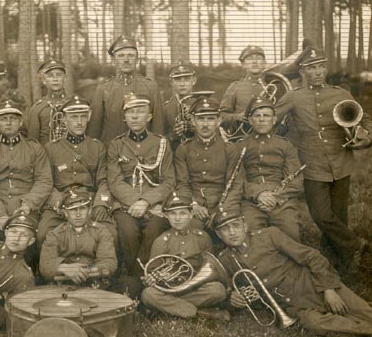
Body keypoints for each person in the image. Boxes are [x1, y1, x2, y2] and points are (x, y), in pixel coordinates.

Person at [274, 46, 372, 271]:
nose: (317, 72)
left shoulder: (340, 93)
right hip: (311, 163)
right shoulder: (293, 96)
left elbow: (364, 118)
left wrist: (368, 137)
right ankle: (356, 245)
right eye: (311, 68)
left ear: (326, 69)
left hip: (341, 160)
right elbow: (270, 118)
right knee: (320, 214)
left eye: (320, 67)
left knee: (339, 216)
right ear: (303, 72)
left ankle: (337, 262)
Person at [216, 211, 372, 336]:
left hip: (313, 285)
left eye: (236, 225)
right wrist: (232, 298)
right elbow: (227, 291)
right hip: (294, 305)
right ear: (218, 234)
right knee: (314, 324)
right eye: (225, 229)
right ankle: (365, 330)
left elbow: (312, 257)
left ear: (245, 226)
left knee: (365, 313)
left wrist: (329, 290)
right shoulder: (224, 260)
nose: (232, 232)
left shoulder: (268, 235)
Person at [0, 99, 52, 270]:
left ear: (21, 121)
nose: (8, 123)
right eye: (3, 119)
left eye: (13, 118)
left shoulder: (34, 148)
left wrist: (28, 205)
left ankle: (27, 276)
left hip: (25, 206)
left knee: (30, 236)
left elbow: (44, 180)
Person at [108, 93, 175, 277]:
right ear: (124, 117)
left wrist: (146, 201)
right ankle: (135, 277)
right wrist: (136, 202)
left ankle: (139, 277)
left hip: (155, 205)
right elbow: (115, 181)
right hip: (125, 205)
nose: (135, 116)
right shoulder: (116, 145)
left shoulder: (161, 143)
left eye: (140, 112)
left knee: (154, 230)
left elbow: (169, 181)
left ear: (150, 116)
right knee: (127, 232)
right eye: (130, 112)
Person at [39, 96, 115, 247]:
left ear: (88, 118)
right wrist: (58, 203)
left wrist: (100, 204)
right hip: (62, 201)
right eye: (74, 117)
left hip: (90, 202)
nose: (79, 122)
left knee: (111, 233)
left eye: (83, 117)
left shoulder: (97, 147)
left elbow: (104, 180)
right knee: (42, 234)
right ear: (64, 120)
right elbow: (45, 182)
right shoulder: (51, 148)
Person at [140, 193, 229, 320]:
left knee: (218, 290)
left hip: (195, 288)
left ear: (191, 215)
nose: (177, 218)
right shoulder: (161, 241)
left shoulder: (203, 237)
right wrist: (149, 280)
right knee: (148, 294)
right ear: (166, 216)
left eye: (182, 213)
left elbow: (210, 264)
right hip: (170, 289)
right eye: (173, 214)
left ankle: (170, 309)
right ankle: (200, 313)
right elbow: (152, 273)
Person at [40, 191, 140, 297]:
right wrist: (64, 268)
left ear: (90, 210)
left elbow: (109, 262)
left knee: (131, 284)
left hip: (95, 284)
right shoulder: (55, 234)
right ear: (65, 212)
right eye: (73, 209)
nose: (78, 214)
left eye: (82, 208)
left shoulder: (101, 231)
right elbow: (45, 265)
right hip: (65, 286)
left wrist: (87, 271)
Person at [174, 97, 244, 230]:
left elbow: (236, 186)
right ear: (193, 121)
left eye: (210, 119)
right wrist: (193, 205)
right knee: (190, 229)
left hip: (224, 204)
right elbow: (182, 184)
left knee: (230, 229)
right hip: (194, 204)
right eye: (200, 119)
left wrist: (221, 210)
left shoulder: (230, 149)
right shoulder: (183, 149)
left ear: (219, 121)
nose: (205, 124)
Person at [241, 96, 303, 241]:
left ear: (274, 120)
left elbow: (295, 180)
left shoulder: (286, 145)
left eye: (266, 116)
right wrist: (258, 194)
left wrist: (276, 198)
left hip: (281, 201)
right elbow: (237, 180)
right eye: (257, 116)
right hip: (251, 201)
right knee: (249, 231)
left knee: (290, 230)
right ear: (250, 120)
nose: (262, 119)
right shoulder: (240, 146)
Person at [87, 35, 164, 145]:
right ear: (114, 60)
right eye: (121, 56)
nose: (126, 60)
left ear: (137, 59)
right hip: (111, 151)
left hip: (142, 151)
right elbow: (94, 130)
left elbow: (158, 127)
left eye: (131, 55)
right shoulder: (103, 89)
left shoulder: (151, 87)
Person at [220, 45, 268, 140]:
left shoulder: (273, 85)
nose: (254, 62)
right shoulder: (235, 87)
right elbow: (222, 116)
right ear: (243, 64)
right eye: (250, 59)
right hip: (242, 139)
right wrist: (237, 117)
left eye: (258, 58)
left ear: (264, 63)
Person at [23, 59, 68, 144]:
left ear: (65, 78)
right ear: (44, 80)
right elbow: (33, 142)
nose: (55, 79)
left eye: (59, 75)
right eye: (50, 76)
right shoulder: (37, 108)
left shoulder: (72, 104)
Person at [162, 61, 200, 149]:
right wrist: (173, 135)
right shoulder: (165, 109)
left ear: (194, 80)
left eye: (187, 79)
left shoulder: (201, 105)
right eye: (178, 79)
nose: (182, 84)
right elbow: (159, 139)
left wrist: (195, 128)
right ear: (171, 82)